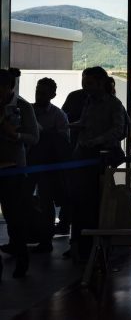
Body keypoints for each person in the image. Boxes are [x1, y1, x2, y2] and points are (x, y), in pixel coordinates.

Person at [68, 66, 127, 261]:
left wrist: (93, 141)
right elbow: (87, 124)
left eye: (90, 83)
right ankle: (83, 245)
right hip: (86, 157)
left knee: (96, 203)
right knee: (81, 203)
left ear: (101, 83)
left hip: (101, 159)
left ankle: (95, 244)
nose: (86, 87)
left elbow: (117, 130)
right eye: (85, 83)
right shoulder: (89, 102)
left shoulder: (113, 104)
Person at [0, 68, 39, 278]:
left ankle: (22, 257)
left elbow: (34, 137)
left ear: (9, 87)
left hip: (13, 169)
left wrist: (14, 135)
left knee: (15, 217)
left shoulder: (22, 107)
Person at [29, 77, 70, 254]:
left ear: (52, 95)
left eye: (43, 93)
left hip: (46, 166)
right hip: (30, 164)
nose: (39, 95)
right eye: (38, 91)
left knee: (45, 203)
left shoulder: (58, 115)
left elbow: (63, 142)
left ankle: (44, 240)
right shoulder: (31, 111)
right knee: (25, 201)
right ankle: (31, 236)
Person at [57, 69, 90, 236]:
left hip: (74, 149)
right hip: (84, 152)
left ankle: (66, 224)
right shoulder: (107, 102)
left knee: (72, 189)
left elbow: (64, 118)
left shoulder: (74, 96)